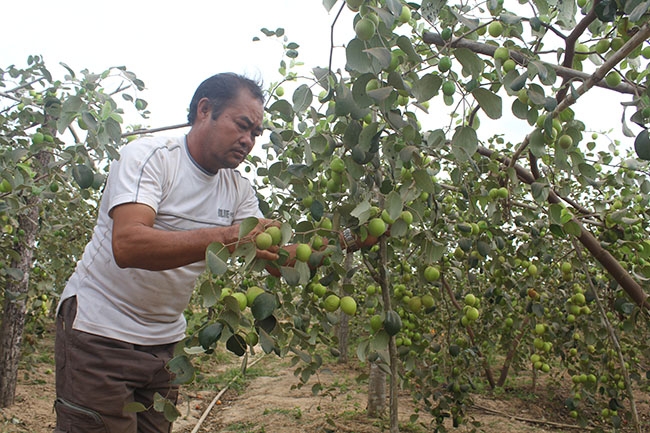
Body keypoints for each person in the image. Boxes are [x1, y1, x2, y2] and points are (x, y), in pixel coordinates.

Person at [54, 73, 281, 433]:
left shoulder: (237, 189)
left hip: (163, 345)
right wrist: (225, 236)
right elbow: (128, 245)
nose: (248, 140)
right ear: (204, 110)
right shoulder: (149, 157)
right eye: (243, 125)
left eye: (256, 133)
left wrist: (345, 239)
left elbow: (277, 254)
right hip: (99, 333)